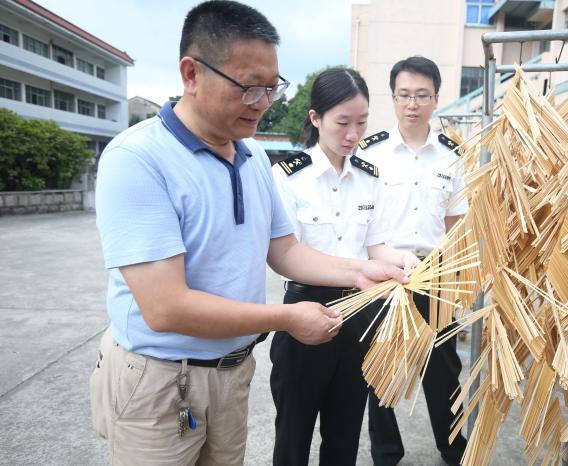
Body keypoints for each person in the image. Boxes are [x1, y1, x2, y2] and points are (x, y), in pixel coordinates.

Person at [89, 2, 407, 465]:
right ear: (191, 73)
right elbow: (165, 307)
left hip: (232, 374)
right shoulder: (138, 160)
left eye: (272, 87)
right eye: (248, 88)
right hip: (160, 382)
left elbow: (285, 250)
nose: (262, 102)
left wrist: (362, 269)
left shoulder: (253, 157)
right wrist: (288, 318)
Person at [269, 68, 420, 466]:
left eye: (362, 122)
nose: (353, 134)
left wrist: (405, 260)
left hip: (359, 319)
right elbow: (287, 255)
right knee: (293, 435)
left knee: (344, 434)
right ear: (316, 118)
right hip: (302, 314)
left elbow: (376, 247)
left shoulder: (370, 179)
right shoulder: (289, 178)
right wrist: (360, 269)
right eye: (343, 123)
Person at [359, 56, 469, 466]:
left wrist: (458, 275)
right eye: (404, 95)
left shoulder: (452, 154)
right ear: (393, 98)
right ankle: (386, 453)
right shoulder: (372, 153)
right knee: (382, 367)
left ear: (436, 98)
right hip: (385, 274)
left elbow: (457, 223)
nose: (412, 103)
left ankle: (454, 449)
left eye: (422, 95)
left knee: (444, 370)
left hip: (437, 275)